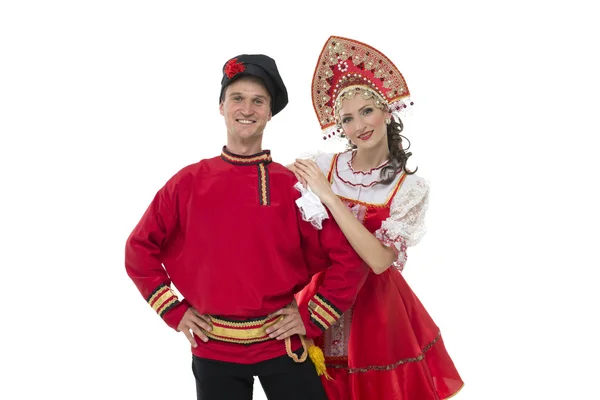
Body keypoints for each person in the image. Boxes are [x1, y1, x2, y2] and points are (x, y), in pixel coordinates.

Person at [124, 53, 369, 400]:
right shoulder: (187, 182)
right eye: (237, 98)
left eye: (259, 101)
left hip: (283, 344)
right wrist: (174, 311)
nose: (247, 109)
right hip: (213, 348)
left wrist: (311, 318)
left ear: (270, 112)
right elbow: (138, 249)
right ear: (221, 106)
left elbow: (350, 258)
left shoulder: (292, 185)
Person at [286, 36, 465, 399]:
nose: (358, 126)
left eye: (366, 111)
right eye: (347, 119)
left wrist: (329, 197)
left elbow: (381, 260)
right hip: (321, 295)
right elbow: (266, 195)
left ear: (387, 110)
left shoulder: (409, 188)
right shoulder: (322, 165)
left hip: (376, 310)